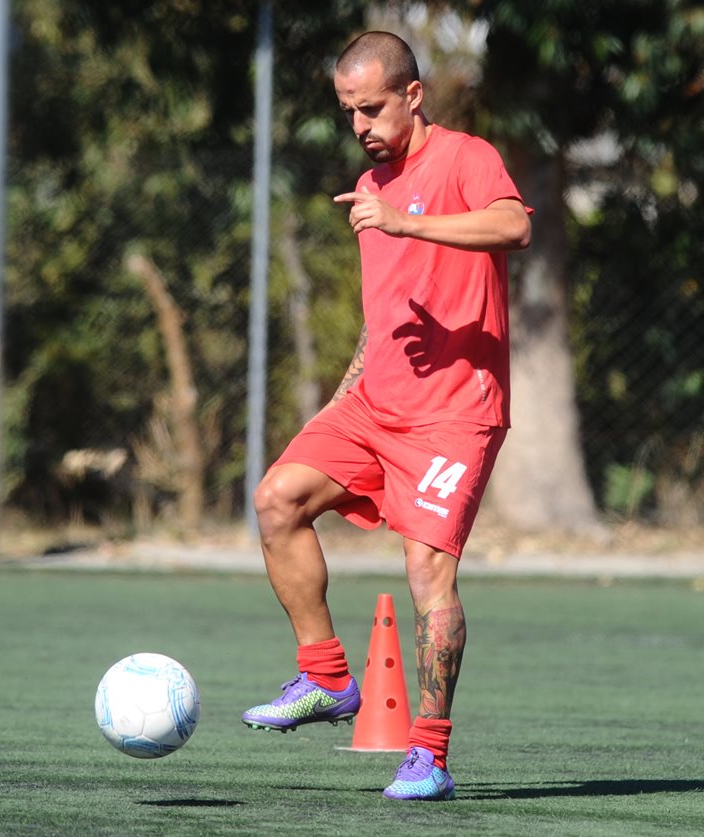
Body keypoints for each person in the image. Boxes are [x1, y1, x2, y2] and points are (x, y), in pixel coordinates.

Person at [241, 31, 532, 802]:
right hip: (374, 405)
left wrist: (408, 221)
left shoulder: (467, 158)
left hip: (455, 416)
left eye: (372, 107)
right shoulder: (372, 186)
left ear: (412, 95)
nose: (361, 123)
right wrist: (344, 395)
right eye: (348, 112)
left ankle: (428, 755)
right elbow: (387, 315)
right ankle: (326, 676)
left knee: (426, 573)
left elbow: (512, 225)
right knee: (277, 500)